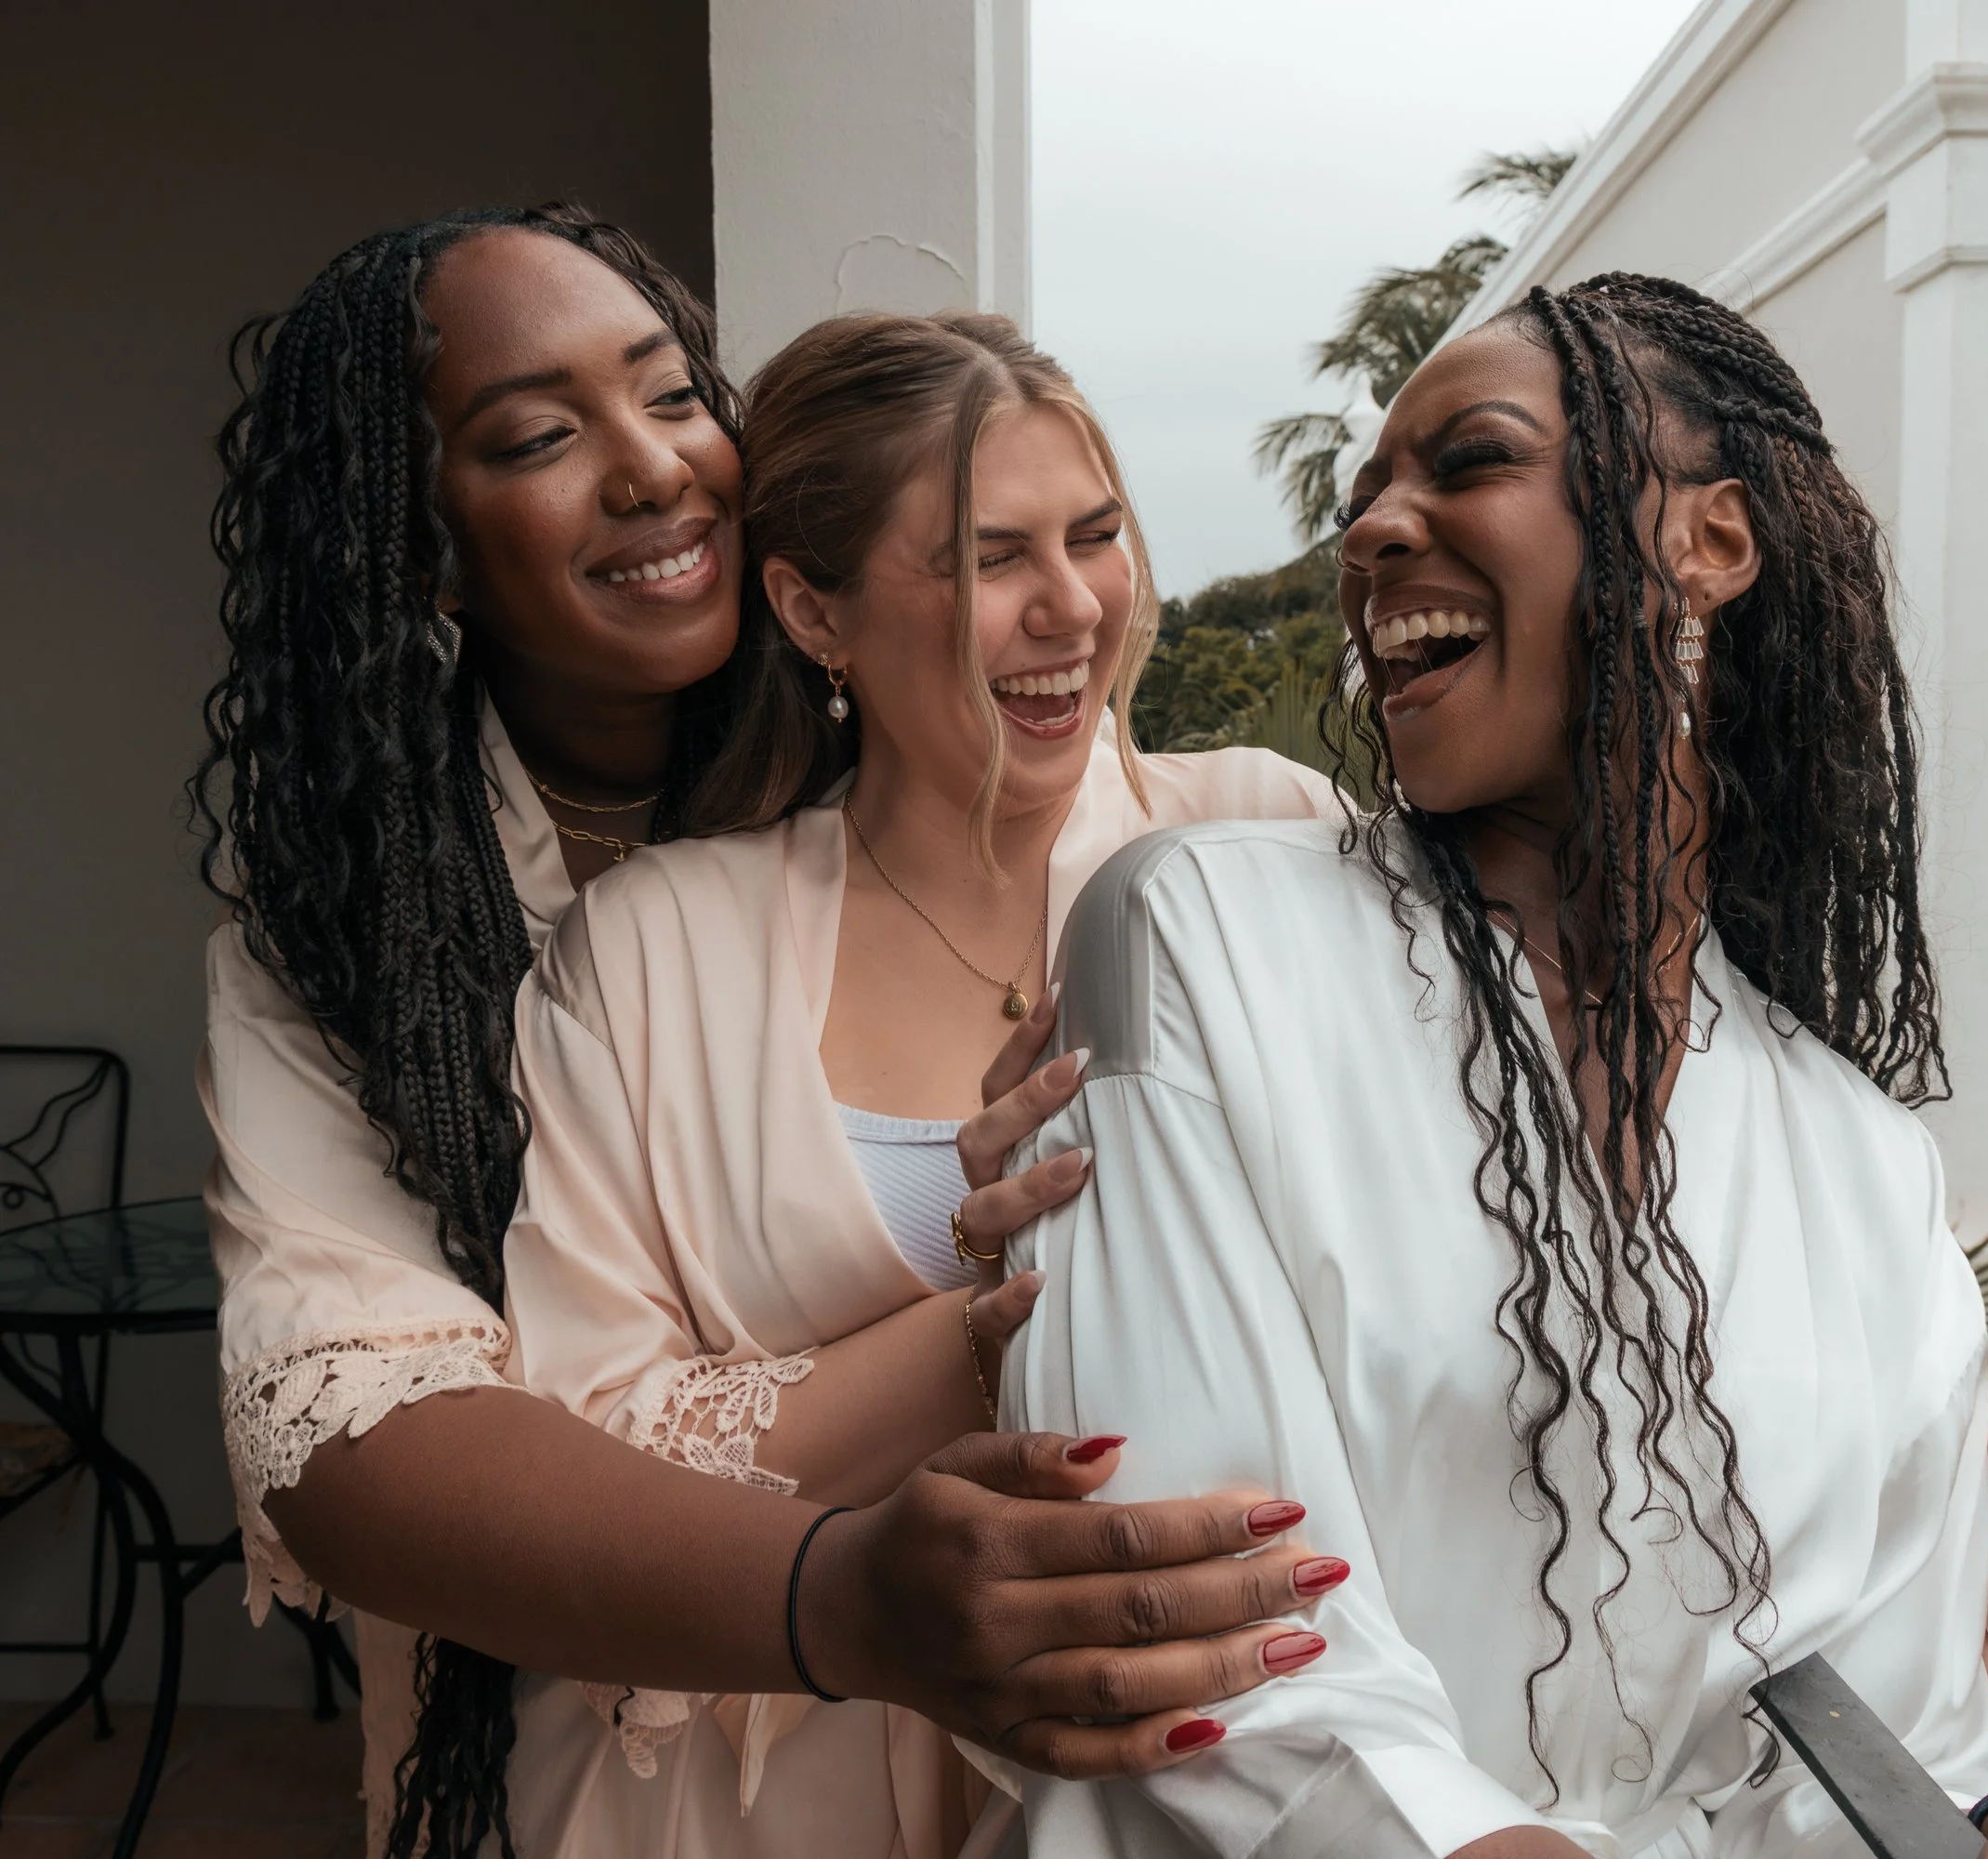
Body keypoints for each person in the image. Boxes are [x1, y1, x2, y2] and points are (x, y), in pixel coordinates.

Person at [990, 276, 1988, 1859]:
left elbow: (1890, 1740)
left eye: (1465, 460)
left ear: (1711, 543)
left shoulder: (1859, 1163)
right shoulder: (1202, 945)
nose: (1373, 534)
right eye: (1365, 498)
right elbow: (1231, 1683)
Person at [196, 208, 1339, 1859]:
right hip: (662, 1745)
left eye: (673, 396)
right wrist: (867, 1554)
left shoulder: (1123, 817)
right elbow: (360, 1434)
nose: (657, 468)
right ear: (422, 545)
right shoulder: (366, 929)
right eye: (536, 435)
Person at [492, 310, 1348, 1854]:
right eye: (985, 557)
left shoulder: (1269, 845)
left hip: (1193, 1778)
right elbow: (584, 1453)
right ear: (813, 612)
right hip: (754, 1799)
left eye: (1096, 537)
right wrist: (990, 1316)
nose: (1072, 605)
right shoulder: (649, 951)